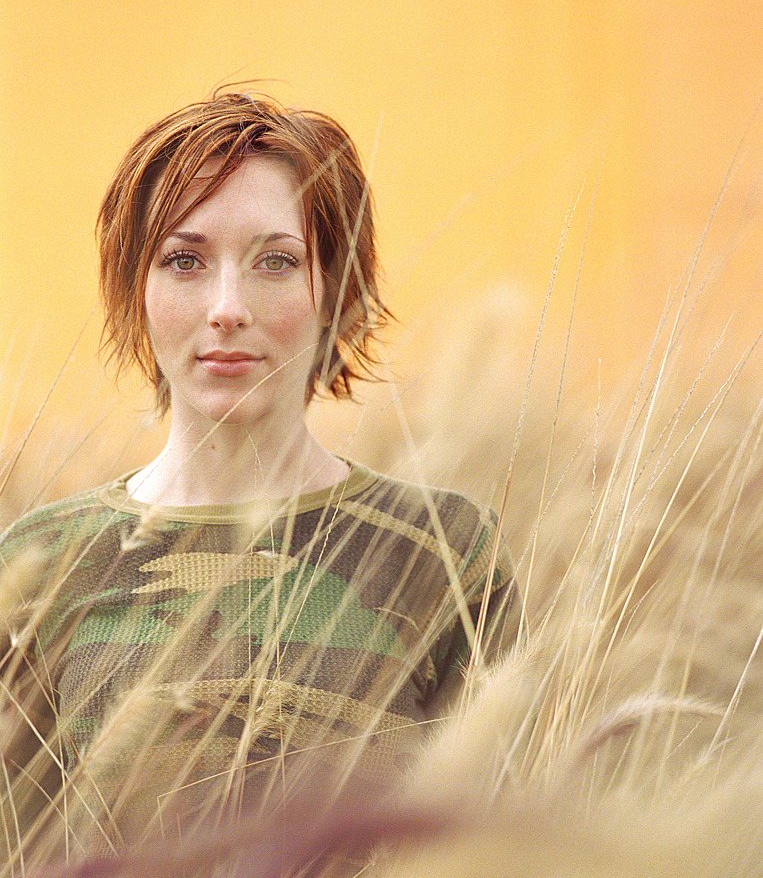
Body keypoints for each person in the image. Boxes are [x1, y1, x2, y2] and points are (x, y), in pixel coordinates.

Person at [0, 91, 520, 866]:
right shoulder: (38, 564)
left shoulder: (443, 550)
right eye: (184, 261)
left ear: (333, 293)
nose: (226, 308)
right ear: (134, 290)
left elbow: (493, 842)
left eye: (276, 261)